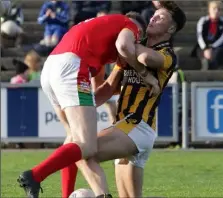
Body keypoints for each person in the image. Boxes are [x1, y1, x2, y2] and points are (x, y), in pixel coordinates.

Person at [17, 13, 159, 198]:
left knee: (73, 141)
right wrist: (145, 75)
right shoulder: (130, 27)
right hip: (71, 66)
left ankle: (69, 195)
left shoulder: (99, 36)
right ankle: (35, 175)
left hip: (51, 68)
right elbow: (124, 45)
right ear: (138, 31)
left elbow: (103, 90)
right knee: (87, 145)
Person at [76, 2, 186, 197]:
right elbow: (109, 88)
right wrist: (80, 108)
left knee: (83, 151)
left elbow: (145, 58)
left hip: (138, 126)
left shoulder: (167, 54)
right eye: (154, 15)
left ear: (171, 28)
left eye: (160, 17)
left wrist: (125, 39)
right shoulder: (129, 50)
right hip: (123, 126)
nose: (153, 18)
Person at [191, 1, 223, 70]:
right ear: (209, 9)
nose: (216, 11)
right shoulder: (203, 20)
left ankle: (212, 74)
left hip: (218, 45)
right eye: (214, 9)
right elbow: (199, 37)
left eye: (219, 9)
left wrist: (212, 47)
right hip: (203, 45)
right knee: (202, 54)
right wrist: (205, 48)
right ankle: (205, 69)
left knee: (215, 55)